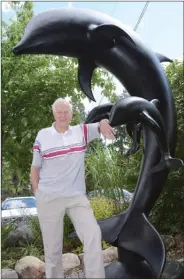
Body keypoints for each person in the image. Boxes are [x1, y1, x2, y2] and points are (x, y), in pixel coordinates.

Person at [30, 98, 115, 279]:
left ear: (71, 114)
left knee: (93, 234)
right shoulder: (43, 135)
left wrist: (104, 123)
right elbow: (35, 168)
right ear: (53, 114)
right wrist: (37, 193)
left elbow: (100, 124)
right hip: (49, 198)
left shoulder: (81, 131)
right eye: (59, 112)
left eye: (66, 112)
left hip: (76, 197)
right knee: (52, 249)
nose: (62, 115)